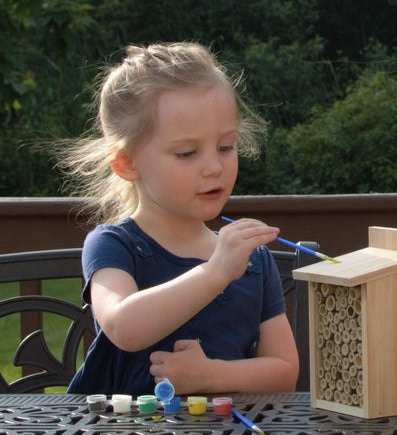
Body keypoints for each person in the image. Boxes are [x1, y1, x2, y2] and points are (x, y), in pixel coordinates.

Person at [58, 42, 299, 396]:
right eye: (187, 153)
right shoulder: (114, 244)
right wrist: (215, 272)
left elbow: (284, 373)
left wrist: (211, 377)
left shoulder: (251, 259)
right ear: (127, 162)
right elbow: (125, 327)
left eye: (225, 147)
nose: (214, 167)